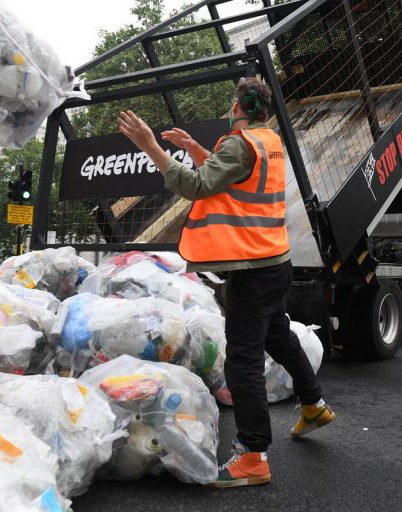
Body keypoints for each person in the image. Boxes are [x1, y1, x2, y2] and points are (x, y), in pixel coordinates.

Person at [117, 77, 336, 487]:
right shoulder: (265, 139)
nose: (228, 107)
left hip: (252, 267)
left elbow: (198, 185)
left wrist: (150, 145)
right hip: (274, 258)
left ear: (239, 105)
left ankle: (253, 455)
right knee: (280, 338)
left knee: (243, 360)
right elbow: (235, 179)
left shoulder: (239, 143)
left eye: (231, 102)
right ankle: (314, 405)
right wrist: (196, 150)